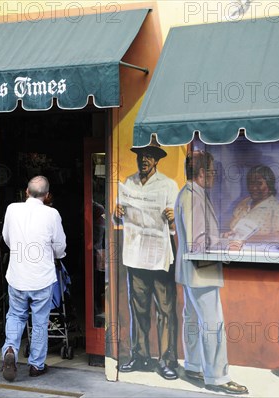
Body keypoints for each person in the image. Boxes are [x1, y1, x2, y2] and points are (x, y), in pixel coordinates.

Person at [174, 150, 248, 395]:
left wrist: (220, 237)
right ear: (202, 173)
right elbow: (199, 243)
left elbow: (198, 236)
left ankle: (194, 366)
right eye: (213, 172)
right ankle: (217, 377)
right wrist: (227, 243)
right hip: (201, 270)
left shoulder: (187, 193)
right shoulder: (194, 197)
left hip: (190, 271)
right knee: (213, 324)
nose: (215, 176)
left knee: (193, 319)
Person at [115, 136, 179, 381]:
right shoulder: (129, 182)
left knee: (165, 309)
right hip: (135, 254)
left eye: (149, 156)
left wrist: (172, 217)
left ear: (157, 160)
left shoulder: (168, 185)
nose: (144, 159)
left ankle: (166, 360)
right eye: (141, 155)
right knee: (139, 308)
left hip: (160, 254)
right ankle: (140, 355)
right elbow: (120, 219)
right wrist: (117, 213)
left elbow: (175, 225)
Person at [0, 176, 67, 381]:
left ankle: (10, 348)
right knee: (39, 322)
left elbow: (7, 238)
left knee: (16, 315)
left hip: (18, 275)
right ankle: (36, 365)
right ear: (47, 196)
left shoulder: (12, 209)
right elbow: (59, 246)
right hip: (42, 278)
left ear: (26, 192)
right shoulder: (52, 214)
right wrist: (56, 255)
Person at [227, 165, 279, 241]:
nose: (254, 187)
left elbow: (278, 237)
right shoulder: (244, 202)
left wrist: (246, 239)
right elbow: (229, 226)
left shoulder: (275, 208)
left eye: (259, 183)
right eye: (251, 183)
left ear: (269, 184)